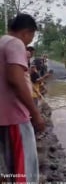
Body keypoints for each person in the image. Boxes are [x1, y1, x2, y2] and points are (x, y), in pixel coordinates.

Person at [0, 13, 44, 183]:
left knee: (6, 167)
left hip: (3, 118)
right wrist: (36, 114)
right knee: (24, 169)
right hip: (15, 117)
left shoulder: (1, 42)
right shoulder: (15, 43)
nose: (29, 42)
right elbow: (15, 80)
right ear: (26, 32)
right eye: (31, 37)